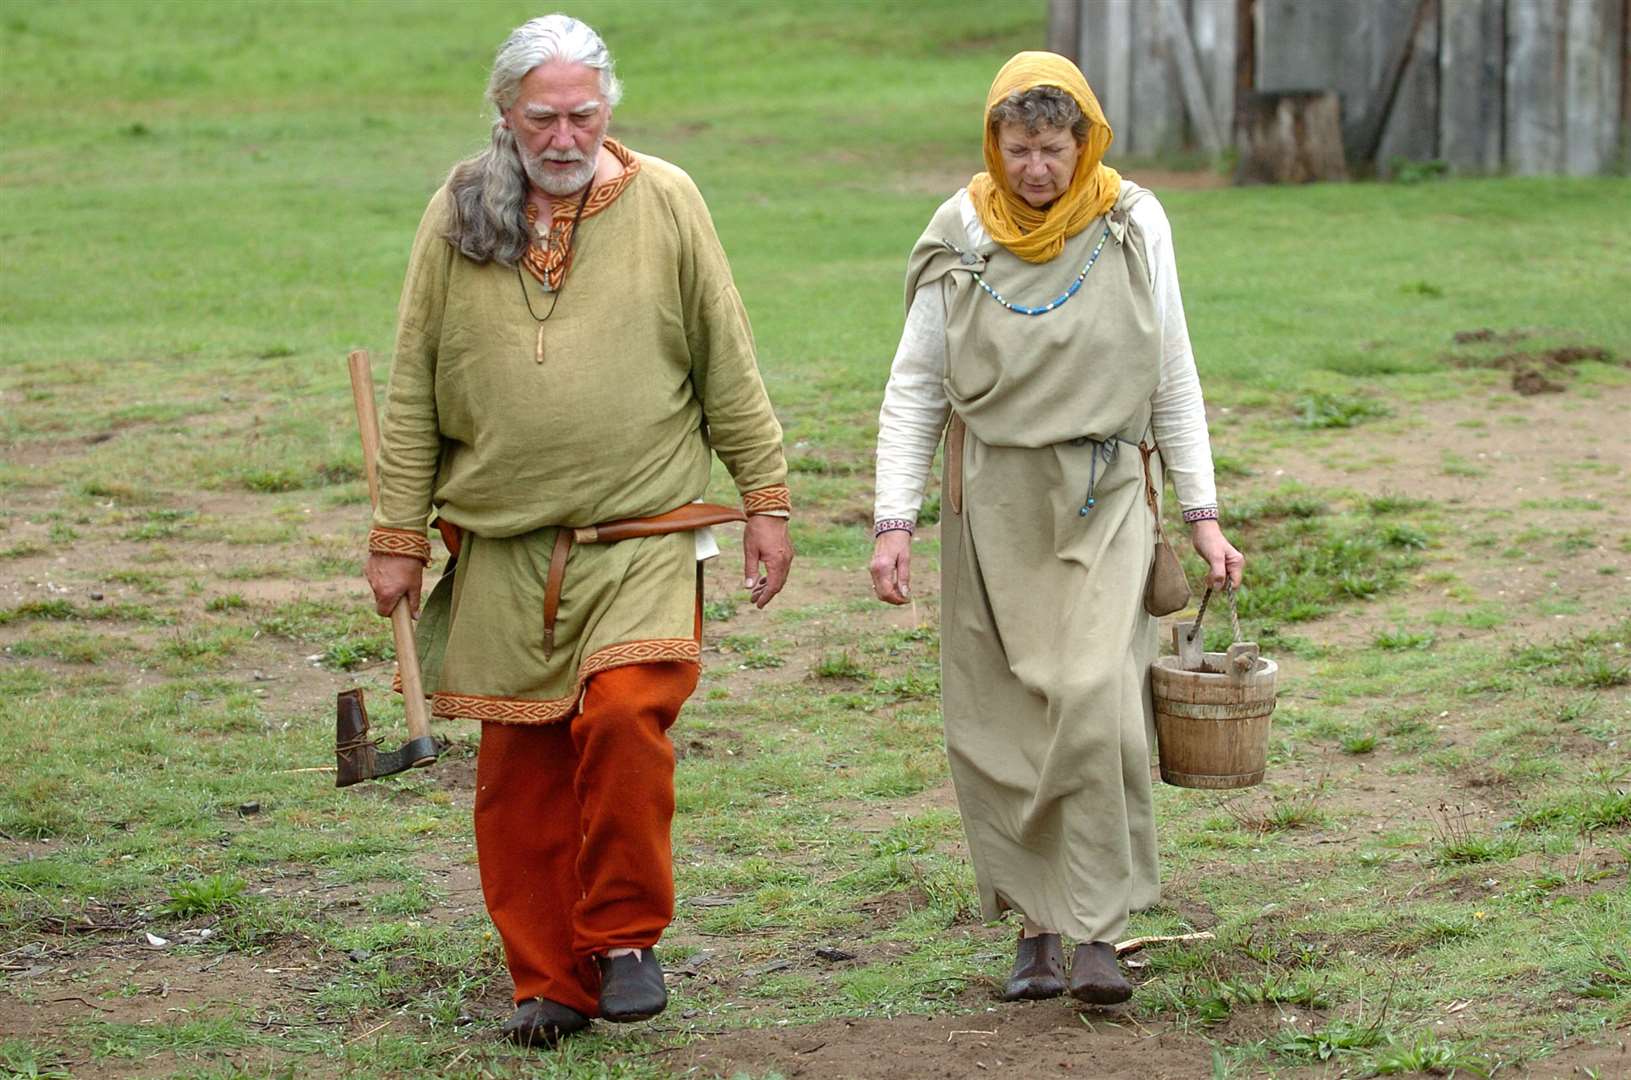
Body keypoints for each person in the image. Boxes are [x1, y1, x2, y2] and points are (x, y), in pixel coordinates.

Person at [362, 14, 793, 1048]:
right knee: (520, 780)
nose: (564, 135)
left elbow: (725, 359)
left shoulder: (667, 201)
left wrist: (765, 500)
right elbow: (416, 380)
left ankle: (623, 936)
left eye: (583, 114)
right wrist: (396, 530)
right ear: (505, 116)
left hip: (642, 528)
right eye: (542, 116)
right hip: (503, 542)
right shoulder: (459, 212)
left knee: (623, 714)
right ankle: (549, 981)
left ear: (609, 110)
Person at [868, 52, 1243, 1006]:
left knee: (1094, 702)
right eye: (1018, 146)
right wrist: (892, 521)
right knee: (1002, 721)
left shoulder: (1130, 221)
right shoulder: (960, 230)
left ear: (1085, 141)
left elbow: (1174, 374)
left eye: (1053, 146)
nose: (1036, 167)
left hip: (1105, 490)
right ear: (993, 143)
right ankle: (1036, 926)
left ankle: (1098, 932)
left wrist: (1201, 515)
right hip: (991, 499)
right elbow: (914, 387)